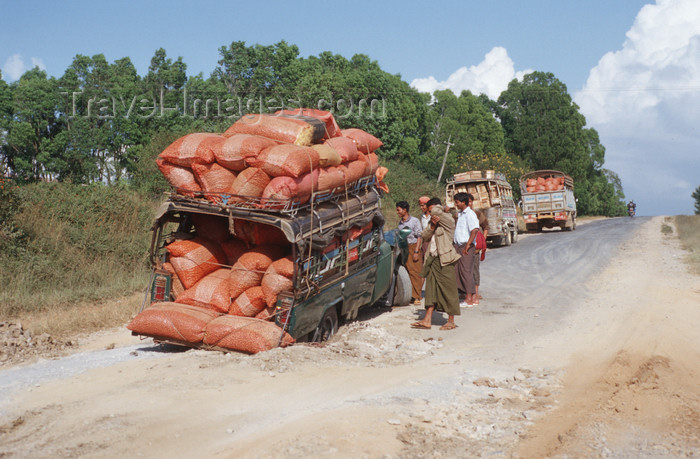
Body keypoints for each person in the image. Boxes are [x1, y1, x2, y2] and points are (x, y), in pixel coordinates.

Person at [411, 197, 461, 330]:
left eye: (429, 208)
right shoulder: (434, 222)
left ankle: (451, 320)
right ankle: (427, 320)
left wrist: (440, 208)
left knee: (448, 289)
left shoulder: (448, 219)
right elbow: (425, 235)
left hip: (445, 259)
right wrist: (432, 226)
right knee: (431, 290)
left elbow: (435, 213)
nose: (429, 212)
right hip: (432, 258)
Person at [452, 192, 479, 308]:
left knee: (466, 272)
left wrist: (468, 245)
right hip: (458, 246)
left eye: (457, 202)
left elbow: (474, 230)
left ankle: (469, 298)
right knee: (459, 271)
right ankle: (467, 296)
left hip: (466, 247)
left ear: (463, 202)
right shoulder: (460, 214)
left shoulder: (470, 214)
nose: (456, 204)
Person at [396, 201, 423, 305]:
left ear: (405, 210)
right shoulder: (400, 223)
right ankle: (411, 295)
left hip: (413, 247)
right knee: (407, 271)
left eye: (399, 210)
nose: (397, 212)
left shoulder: (415, 221)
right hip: (404, 248)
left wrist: (416, 251)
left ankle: (417, 296)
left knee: (415, 272)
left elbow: (419, 237)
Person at [473, 200, 489, 306]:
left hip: (475, 248)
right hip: (462, 247)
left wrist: (482, 239)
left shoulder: (477, 214)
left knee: (474, 270)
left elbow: (486, 227)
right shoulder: (458, 215)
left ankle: (476, 292)